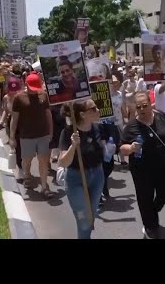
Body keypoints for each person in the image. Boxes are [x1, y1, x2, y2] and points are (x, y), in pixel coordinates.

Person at [120, 92, 165, 239]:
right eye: (138, 107)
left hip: (163, 165)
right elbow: (121, 148)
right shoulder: (131, 126)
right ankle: (150, 226)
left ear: (150, 103)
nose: (142, 109)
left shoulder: (161, 116)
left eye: (145, 105)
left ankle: (151, 212)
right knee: (145, 197)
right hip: (142, 170)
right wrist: (132, 148)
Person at [59, 99, 106, 239]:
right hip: (75, 179)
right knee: (84, 220)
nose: (98, 110)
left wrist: (109, 150)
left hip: (97, 176)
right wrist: (73, 146)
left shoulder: (98, 128)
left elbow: (103, 150)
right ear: (83, 114)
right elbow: (63, 162)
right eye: (93, 108)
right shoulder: (68, 133)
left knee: (91, 216)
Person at [9, 72, 54, 199]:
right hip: (26, 136)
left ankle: (44, 187)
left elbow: (48, 115)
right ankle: (27, 175)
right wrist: (12, 136)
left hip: (43, 134)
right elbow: (14, 118)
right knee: (27, 160)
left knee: (43, 161)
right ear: (26, 84)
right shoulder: (19, 98)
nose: (35, 91)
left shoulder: (44, 96)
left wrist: (51, 131)